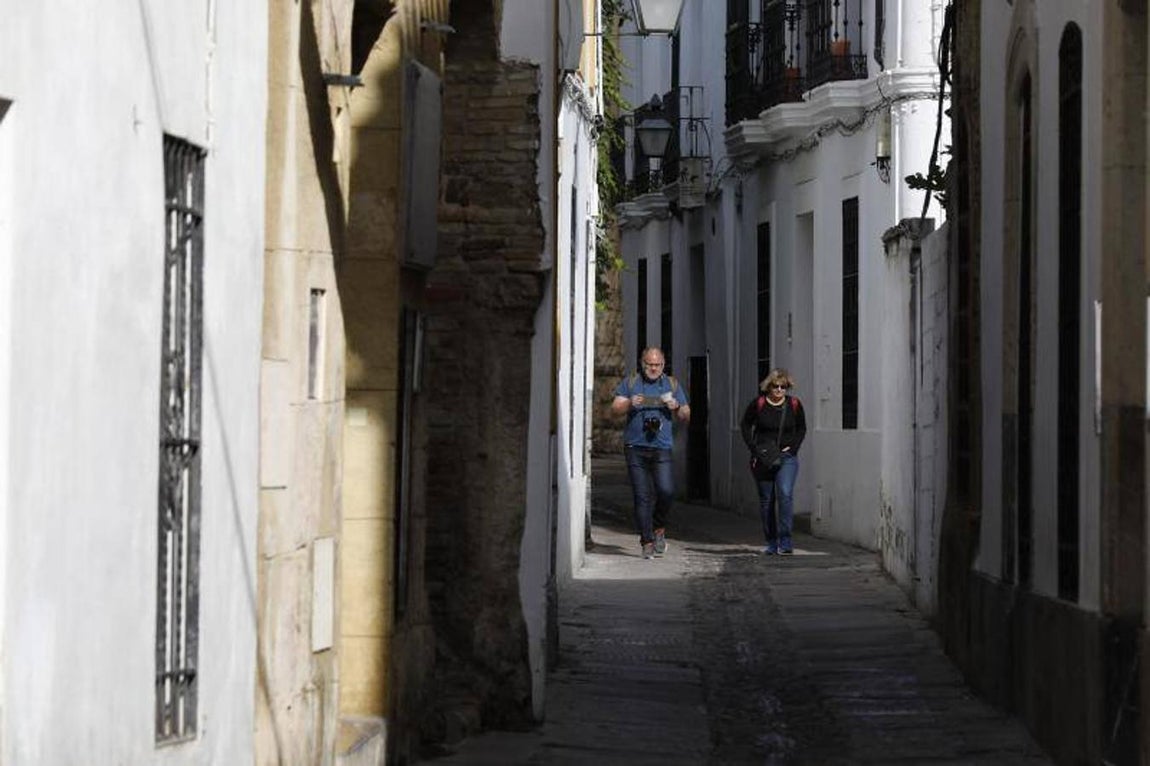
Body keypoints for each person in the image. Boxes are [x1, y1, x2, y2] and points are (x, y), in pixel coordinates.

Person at [610, 347, 691, 559]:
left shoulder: (671, 384)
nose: (653, 368)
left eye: (657, 365)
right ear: (642, 363)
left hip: (661, 447)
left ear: (663, 365)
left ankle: (659, 527)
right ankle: (646, 541)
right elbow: (615, 408)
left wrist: (676, 407)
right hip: (635, 448)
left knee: (666, 491)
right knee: (642, 495)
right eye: (649, 364)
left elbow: (686, 414)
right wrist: (630, 403)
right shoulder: (631, 382)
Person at [740, 368, 807, 555]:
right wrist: (754, 448)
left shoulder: (794, 404)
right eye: (775, 386)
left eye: (783, 387)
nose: (779, 390)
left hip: (787, 457)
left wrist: (792, 448)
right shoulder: (759, 404)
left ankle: (785, 540)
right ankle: (771, 541)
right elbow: (745, 425)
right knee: (767, 500)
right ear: (768, 387)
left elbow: (802, 428)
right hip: (763, 458)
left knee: (785, 493)